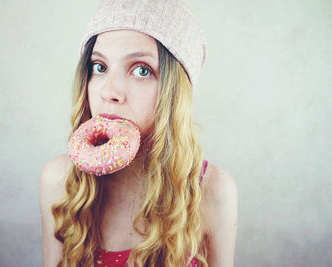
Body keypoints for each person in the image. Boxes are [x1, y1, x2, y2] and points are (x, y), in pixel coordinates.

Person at [39, 0, 238, 266]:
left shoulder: (212, 190)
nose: (110, 91)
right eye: (99, 67)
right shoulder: (60, 181)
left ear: (174, 92)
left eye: (141, 70)